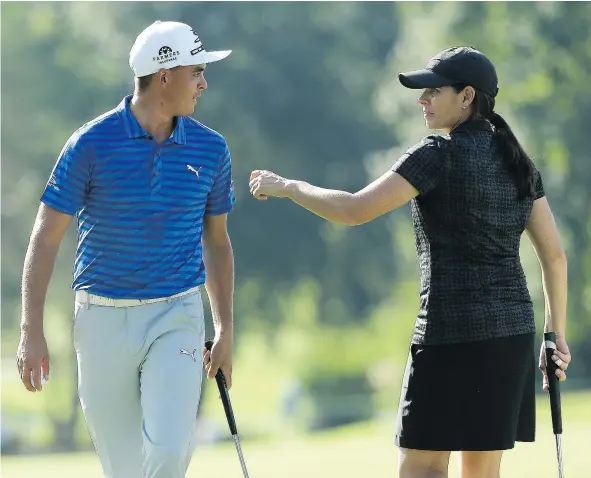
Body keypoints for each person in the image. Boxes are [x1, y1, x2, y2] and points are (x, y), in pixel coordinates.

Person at [248, 46, 571, 477]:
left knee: (421, 469)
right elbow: (554, 256)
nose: (422, 101)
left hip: (448, 335)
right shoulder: (519, 163)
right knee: (482, 472)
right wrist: (555, 337)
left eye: (433, 91)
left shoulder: (435, 154)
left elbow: (354, 210)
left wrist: (288, 185)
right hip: (508, 337)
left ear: (467, 96)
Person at [16, 20, 236, 478]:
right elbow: (46, 236)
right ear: (164, 76)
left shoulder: (211, 149)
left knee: (170, 453)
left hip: (177, 314)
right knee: (124, 469)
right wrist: (30, 330)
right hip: (101, 320)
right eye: (196, 71)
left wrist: (225, 326)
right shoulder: (90, 145)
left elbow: (217, 242)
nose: (203, 83)